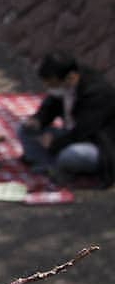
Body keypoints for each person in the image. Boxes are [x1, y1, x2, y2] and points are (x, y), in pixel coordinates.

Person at [18, 52, 115, 186]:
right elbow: (51, 104)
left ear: (71, 77)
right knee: (24, 130)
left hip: (98, 144)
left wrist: (54, 143)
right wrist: (38, 120)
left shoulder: (98, 93)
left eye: (53, 84)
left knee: (71, 155)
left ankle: (59, 166)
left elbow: (83, 132)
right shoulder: (64, 85)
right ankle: (50, 166)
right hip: (69, 135)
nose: (50, 89)